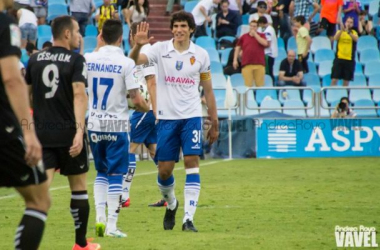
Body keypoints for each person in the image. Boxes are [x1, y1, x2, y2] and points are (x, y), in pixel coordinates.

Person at [129, 11, 219, 232]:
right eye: (176, 26)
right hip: (166, 119)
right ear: (172, 29)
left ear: (191, 29)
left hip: (191, 117)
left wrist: (213, 120)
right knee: (164, 171)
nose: (179, 30)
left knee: (192, 164)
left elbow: (208, 90)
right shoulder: (159, 49)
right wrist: (138, 46)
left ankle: (188, 219)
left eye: (183, 26)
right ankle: (172, 203)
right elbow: (133, 61)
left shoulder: (201, 55)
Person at [25, 16, 100, 250]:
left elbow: (26, 97)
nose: (79, 36)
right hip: (69, 136)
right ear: (67, 34)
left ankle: (27, 245)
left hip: (42, 135)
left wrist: (28, 129)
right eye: (77, 31)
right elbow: (80, 95)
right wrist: (80, 131)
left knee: (39, 195)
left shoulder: (34, 60)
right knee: (78, 188)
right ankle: (80, 245)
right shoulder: (77, 60)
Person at [85, 19, 149, 238]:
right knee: (116, 174)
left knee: (100, 172)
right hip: (117, 124)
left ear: (100, 36)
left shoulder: (88, 58)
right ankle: (112, 225)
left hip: (94, 124)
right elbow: (136, 98)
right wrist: (148, 108)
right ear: (121, 38)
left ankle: (99, 219)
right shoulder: (126, 63)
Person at [0, 1, 50, 249]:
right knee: (39, 200)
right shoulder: (4, 23)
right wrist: (29, 133)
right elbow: (11, 78)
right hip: (3, 127)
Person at [121, 21, 166, 208]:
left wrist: (154, 110)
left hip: (145, 110)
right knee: (154, 151)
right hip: (152, 109)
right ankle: (167, 196)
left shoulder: (145, 53)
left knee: (129, 148)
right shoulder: (145, 52)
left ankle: (123, 195)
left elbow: (151, 82)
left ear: (132, 36)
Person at [233, 20, 268, 87]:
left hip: (259, 64)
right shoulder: (244, 37)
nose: (252, 28)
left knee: (260, 85)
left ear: (257, 27)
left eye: (254, 26)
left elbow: (265, 43)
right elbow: (237, 47)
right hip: (247, 64)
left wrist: (255, 35)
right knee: (247, 86)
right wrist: (235, 60)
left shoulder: (262, 35)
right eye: (251, 26)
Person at [331, 16, 358, 86]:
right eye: (348, 22)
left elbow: (356, 39)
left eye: (351, 22)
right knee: (334, 79)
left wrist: (348, 32)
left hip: (349, 59)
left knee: (346, 81)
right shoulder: (339, 32)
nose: (349, 24)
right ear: (345, 22)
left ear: (352, 24)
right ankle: (331, 94)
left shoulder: (354, 32)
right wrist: (342, 31)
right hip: (339, 58)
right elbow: (335, 38)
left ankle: (344, 95)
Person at [258, 16, 277, 82]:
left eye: (260, 24)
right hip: (272, 53)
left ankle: (272, 84)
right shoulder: (270, 28)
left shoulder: (267, 31)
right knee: (270, 70)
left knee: (269, 71)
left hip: (269, 54)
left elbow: (267, 44)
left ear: (262, 23)